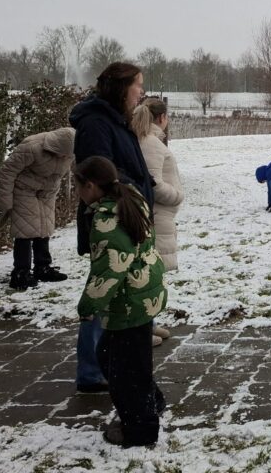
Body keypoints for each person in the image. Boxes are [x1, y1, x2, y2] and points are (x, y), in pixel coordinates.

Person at [69, 62, 154, 393]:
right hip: (112, 223)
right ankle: (92, 372)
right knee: (105, 293)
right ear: (121, 88)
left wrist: (147, 183)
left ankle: (120, 362)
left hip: (128, 218)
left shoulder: (117, 120)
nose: (142, 92)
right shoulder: (95, 124)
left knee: (126, 292)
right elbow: (99, 173)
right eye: (138, 85)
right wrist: (133, 186)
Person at [74, 156, 167, 448]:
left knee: (126, 370)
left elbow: (109, 270)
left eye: (77, 186)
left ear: (90, 185)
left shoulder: (106, 219)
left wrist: (87, 307)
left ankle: (140, 429)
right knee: (116, 357)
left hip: (129, 301)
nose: (77, 192)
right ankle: (152, 402)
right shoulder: (129, 195)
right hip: (143, 292)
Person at [0, 127, 76, 290]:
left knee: (44, 228)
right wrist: (5, 200)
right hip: (24, 190)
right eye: (64, 154)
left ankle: (42, 268)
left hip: (47, 193)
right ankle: (21, 273)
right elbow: (8, 171)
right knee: (25, 230)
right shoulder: (32, 147)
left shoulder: (72, 150)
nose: (66, 157)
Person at [131, 98, 183, 346]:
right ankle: (141, 330)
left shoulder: (146, 140)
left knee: (150, 274)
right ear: (162, 118)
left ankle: (148, 324)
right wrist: (176, 196)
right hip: (157, 214)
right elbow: (152, 182)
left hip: (158, 215)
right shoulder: (150, 143)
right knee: (148, 275)